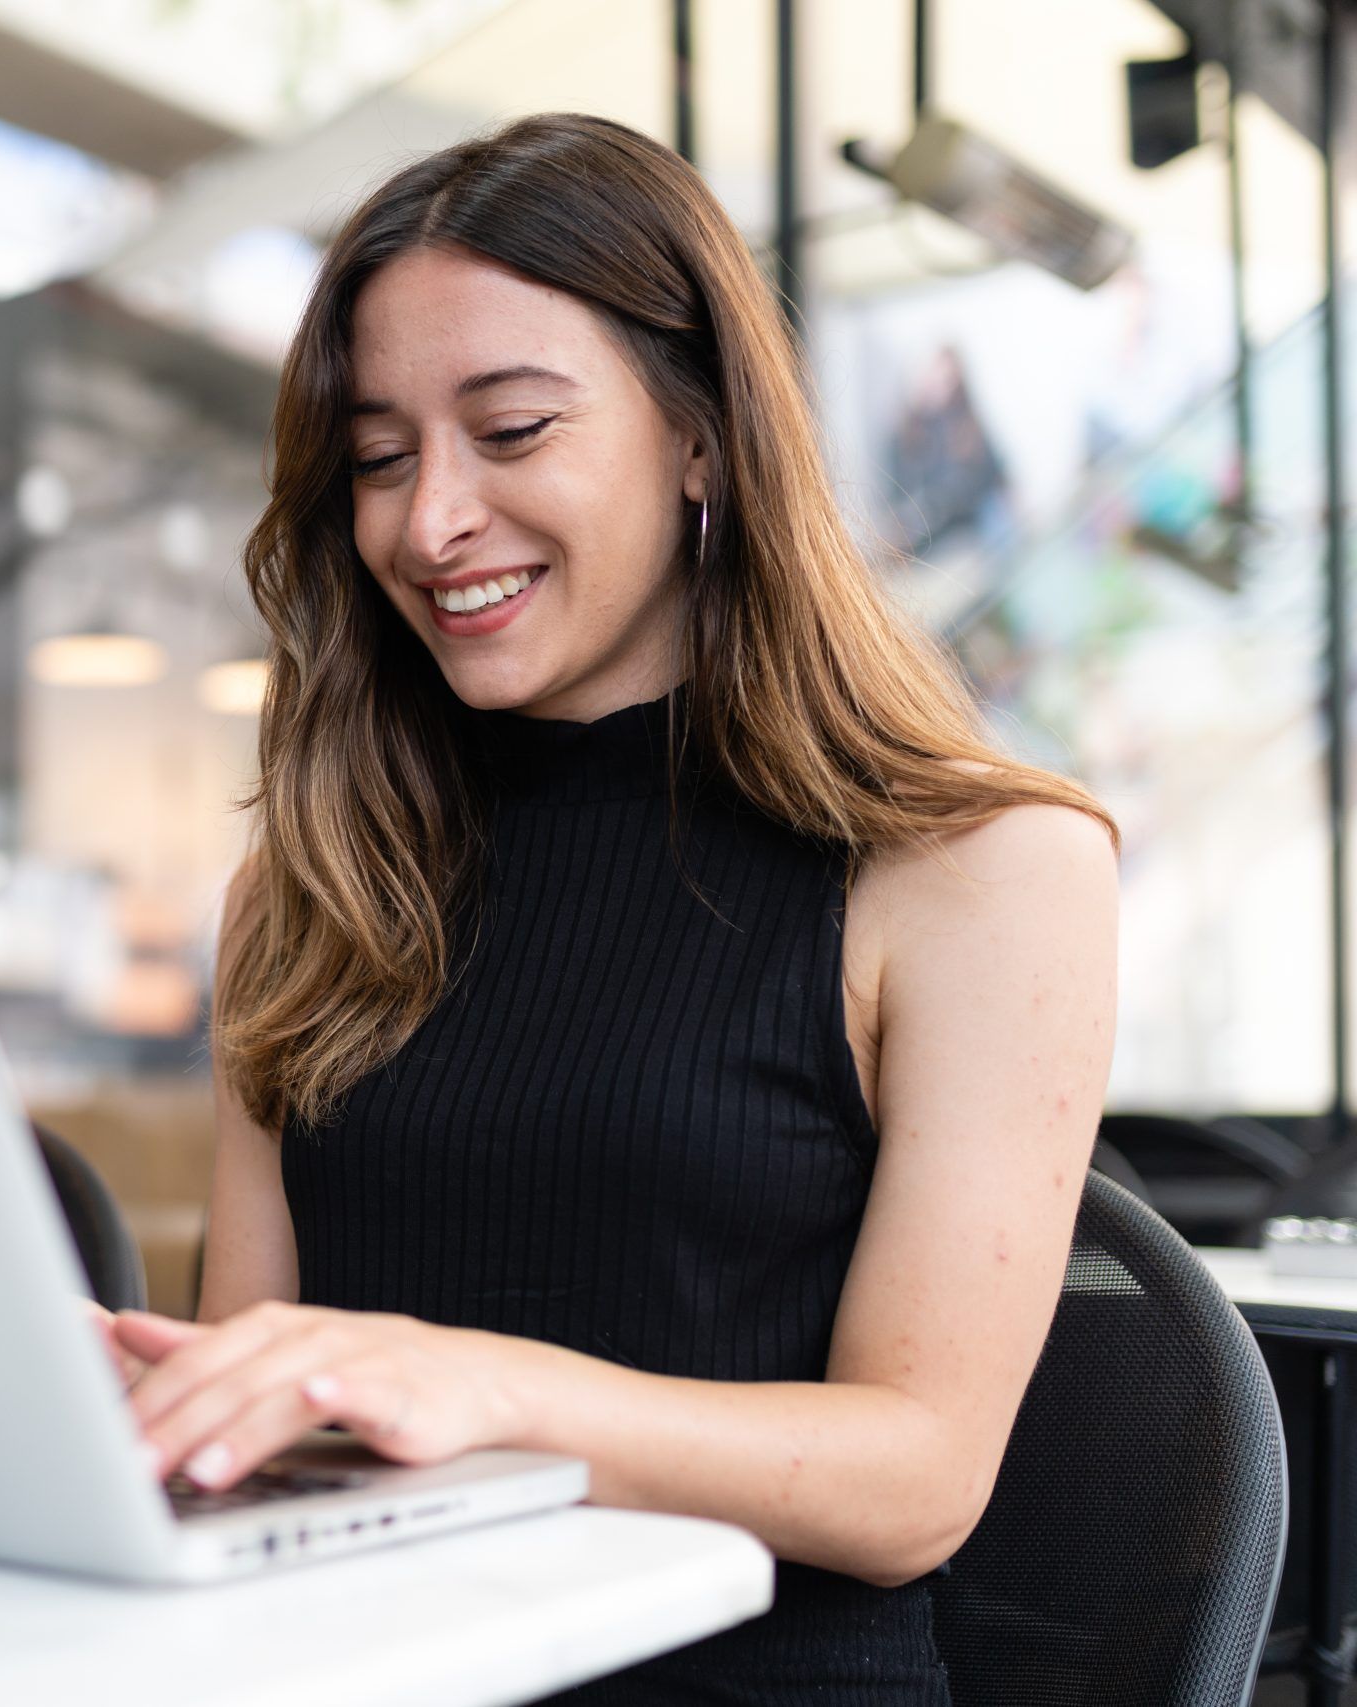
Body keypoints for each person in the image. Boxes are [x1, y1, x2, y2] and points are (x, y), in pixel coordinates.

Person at [94, 113, 1118, 1704]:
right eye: (378, 458)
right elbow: (270, 1412)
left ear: (700, 437)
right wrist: (146, 1407)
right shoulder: (308, 886)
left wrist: (485, 1390)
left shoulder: (985, 870)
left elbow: (916, 1485)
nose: (427, 524)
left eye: (510, 432)